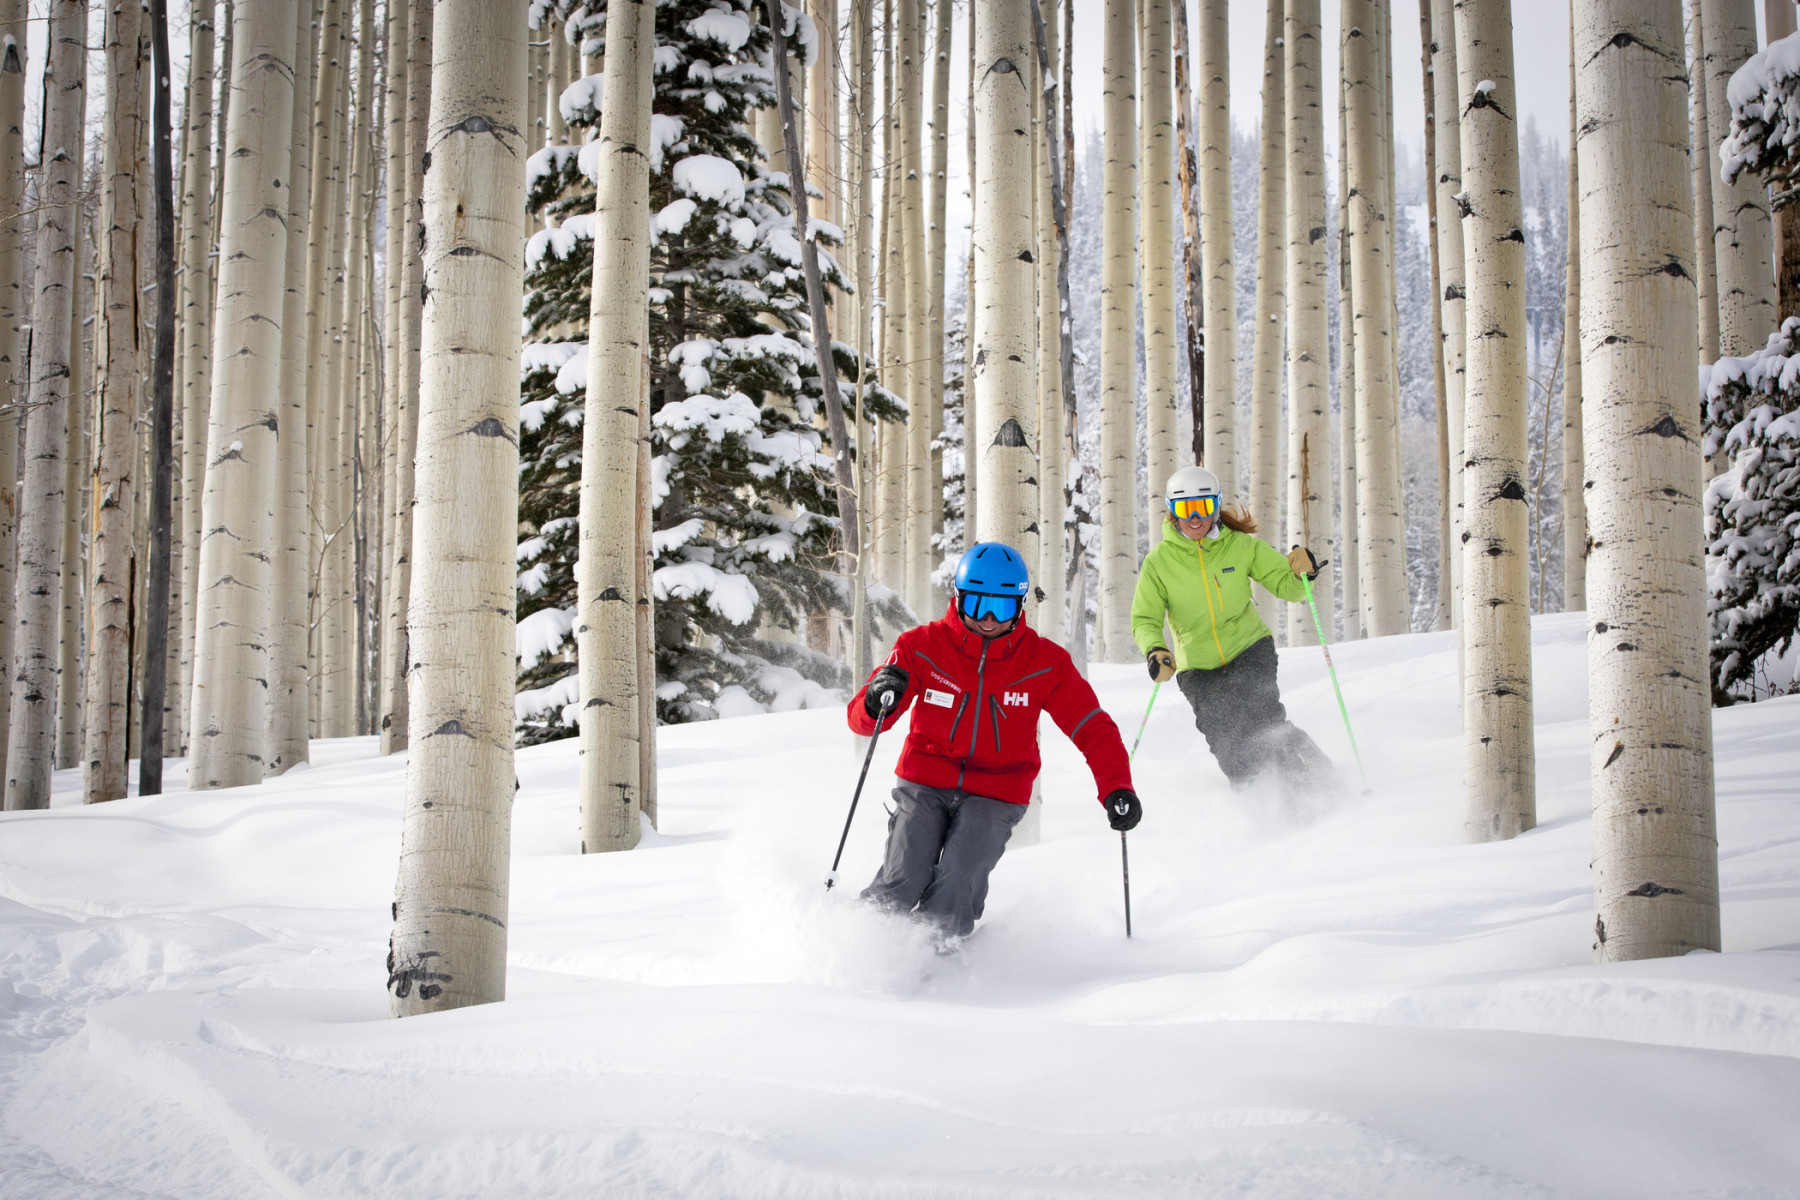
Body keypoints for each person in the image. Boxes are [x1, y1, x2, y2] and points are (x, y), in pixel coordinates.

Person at [848, 542, 1141, 942]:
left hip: (997, 792)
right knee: (904, 878)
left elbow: (1093, 727)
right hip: (925, 781)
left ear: (1020, 605)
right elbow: (863, 723)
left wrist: (1117, 786)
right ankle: (859, 943)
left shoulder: (1044, 662)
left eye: (1001, 608)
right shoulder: (921, 647)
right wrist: (874, 700)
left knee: (957, 882)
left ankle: (935, 960)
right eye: (978, 604)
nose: (988, 619)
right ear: (958, 598)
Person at [1131, 465, 1335, 794]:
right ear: (1172, 511)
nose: (1194, 517)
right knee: (1228, 743)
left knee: (1265, 722)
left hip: (1249, 648)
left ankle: (1316, 787)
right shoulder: (1159, 563)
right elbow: (1145, 618)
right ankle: (1258, 803)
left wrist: (1303, 575)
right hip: (1198, 667)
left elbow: (1287, 586)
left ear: (1216, 506)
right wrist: (1155, 649)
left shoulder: (1241, 546)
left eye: (1203, 506)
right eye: (1184, 508)